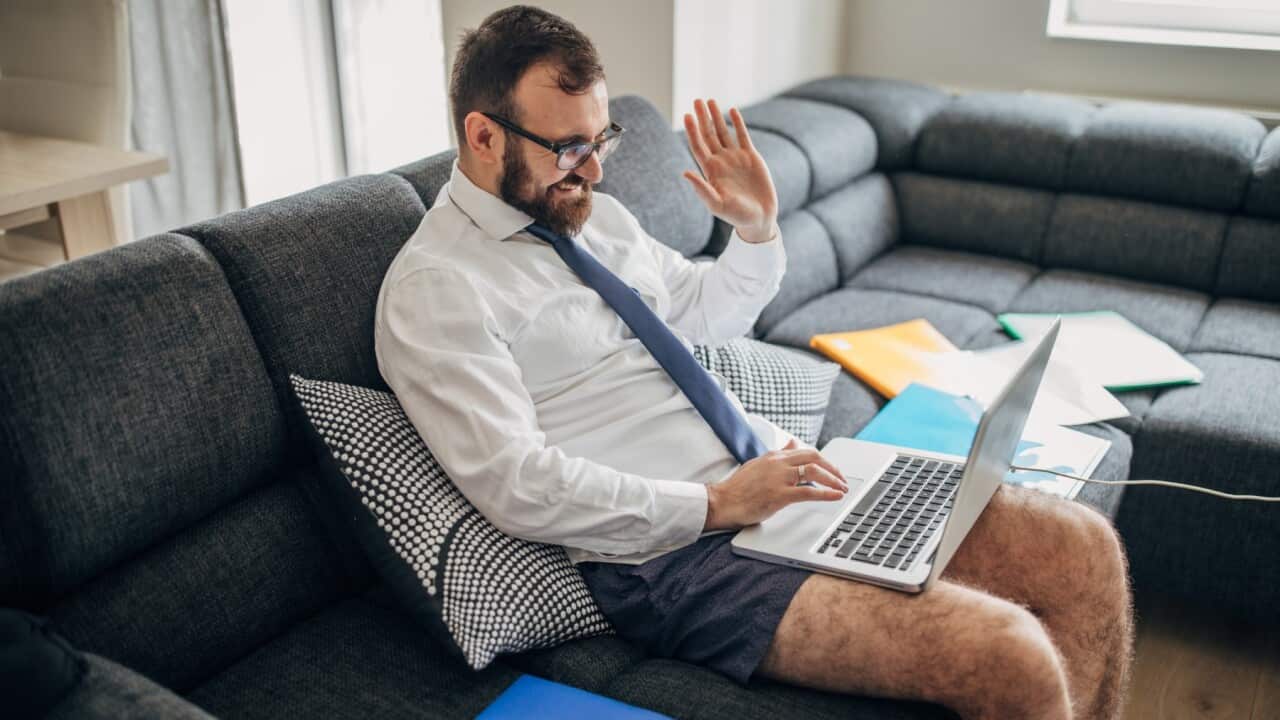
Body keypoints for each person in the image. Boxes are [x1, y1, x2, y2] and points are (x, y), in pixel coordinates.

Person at [374, 6, 1134, 719]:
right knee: (1012, 656)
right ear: (483, 136)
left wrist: (756, 230)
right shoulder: (436, 290)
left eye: (600, 143)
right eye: (569, 148)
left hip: (781, 476)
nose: (595, 173)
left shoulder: (591, 216)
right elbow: (515, 483)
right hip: (671, 555)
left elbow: (699, 314)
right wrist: (717, 505)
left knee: (1083, 552)